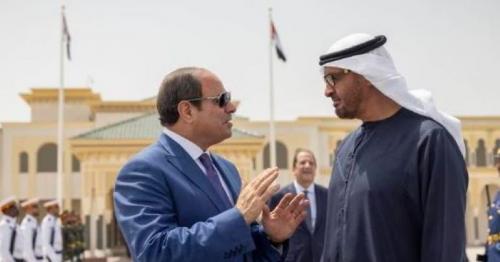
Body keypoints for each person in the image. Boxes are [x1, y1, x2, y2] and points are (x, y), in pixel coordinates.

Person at [114, 67, 308, 261]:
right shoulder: (143, 171)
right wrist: (238, 217)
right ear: (187, 111)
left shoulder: (227, 169)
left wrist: (270, 237)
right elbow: (156, 252)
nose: (231, 108)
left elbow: (240, 249)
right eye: (222, 100)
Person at [318, 33, 468, 261]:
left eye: (333, 78)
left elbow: (444, 247)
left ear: (365, 74)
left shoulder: (429, 142)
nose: (327, 91)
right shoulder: (346, 147)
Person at [269, 149, 327, 262]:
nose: (307, 165)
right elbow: (271, 235)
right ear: (294, 169)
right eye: (302, 162)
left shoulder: (327, 195)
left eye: (311, 163)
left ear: (315, 169)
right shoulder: (279, 197)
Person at [0, 196, 23, 262]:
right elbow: (4, 251)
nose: (17, 209)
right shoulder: (4, 225)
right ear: (7, 210)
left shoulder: (15, 225)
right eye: (14, 207)